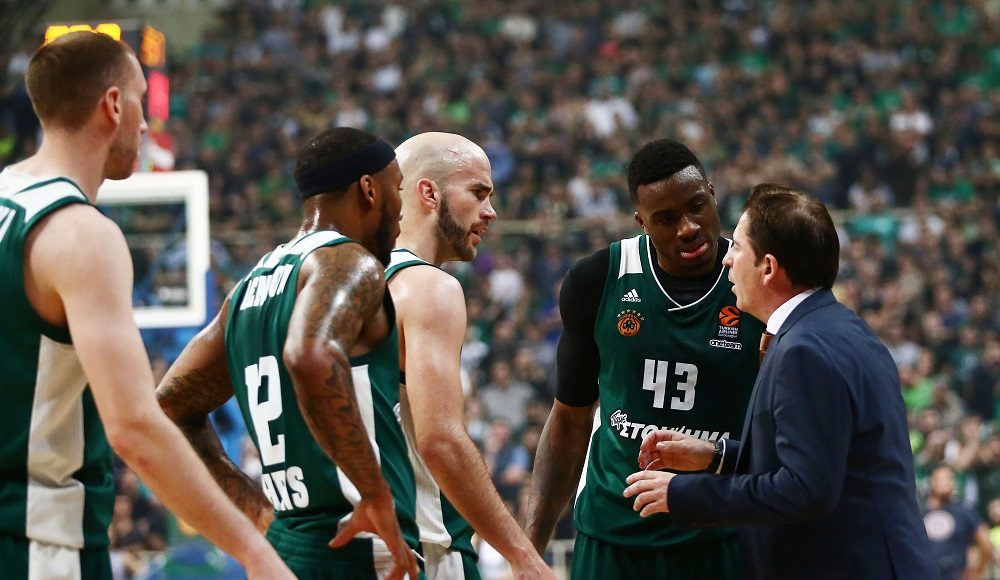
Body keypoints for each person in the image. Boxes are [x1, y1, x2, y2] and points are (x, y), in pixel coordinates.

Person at [0, 31, 292, 579]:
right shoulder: (80, 233)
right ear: (113, 105)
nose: (144, 126)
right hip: (35, 543)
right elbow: (134, 427)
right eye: (140, 101)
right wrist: (257, 554)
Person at [627, 184, 935, 578]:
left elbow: (805, 488)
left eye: (738, 248)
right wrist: (716, 455)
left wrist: (682, 492)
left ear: (768, 268)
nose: (727, 259)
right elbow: (823, 459)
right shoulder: (839, 328)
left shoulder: (804, 350)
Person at [156, 127, 420, 579]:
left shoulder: (247, 290)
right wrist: (375, 494)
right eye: (397, 189)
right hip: (358, 549)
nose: (402, 209)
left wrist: (260, 516)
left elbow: (168, 408)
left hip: (289, 549)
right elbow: (311, 356)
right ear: (369, 189)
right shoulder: (350, 262)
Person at [525, 139, 764, 579]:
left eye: (697, 206)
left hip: (720, 536)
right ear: (641, 222)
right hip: (612, 537)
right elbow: (569, 421)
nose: (688, 227)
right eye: (666, 219)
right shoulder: (598, 279)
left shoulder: (758, 281)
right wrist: (529, 550)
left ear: (713, 194)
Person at [388, 132, 554, 579]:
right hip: (424, 543)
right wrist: (521, 554)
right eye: (478, 193)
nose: (491, 211)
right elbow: (440, 441)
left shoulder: (347, 280)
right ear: (428, 193)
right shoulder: (430, 288)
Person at [923, 465, 996, 580]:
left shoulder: (963, 511)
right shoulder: (919, 511)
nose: (948, 483)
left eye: (951, 478)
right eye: (943, 478)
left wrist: (977, 571)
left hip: (955, 574)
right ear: (932, 481)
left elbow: (985, 541)